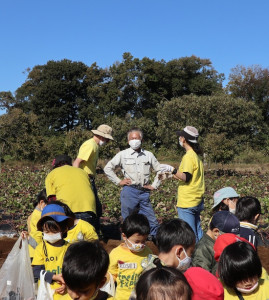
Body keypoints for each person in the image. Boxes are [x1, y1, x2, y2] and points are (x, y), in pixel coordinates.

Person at [104, 127, 164, 238]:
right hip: (129, 191)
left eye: (137, 138)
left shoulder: (148, 155)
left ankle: (154, 245)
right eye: (132, 138)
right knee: (128, 221)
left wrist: (155, 185)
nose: (134, 140)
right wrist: (118, 181)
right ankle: (126, 244)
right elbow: (108, 168)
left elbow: (160, 170)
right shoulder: (123, 154)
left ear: (142, 140)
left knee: (152, 221)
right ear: (128, 141)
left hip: (144, 192)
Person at [129, 219, 196, 300]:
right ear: (179, 251)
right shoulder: (156, 277)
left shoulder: (150, 267)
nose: (190, 257)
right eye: (191, 253)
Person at [73, 124, 114, 232]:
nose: (107, 142)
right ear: (101, 136)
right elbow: (77, 162)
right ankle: (90, 232)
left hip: (89, 179)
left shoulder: (94, 146)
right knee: (91, 207)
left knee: (96, 208)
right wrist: (77, 179)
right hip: (84, 179)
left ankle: (94, 231)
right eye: (107, 139)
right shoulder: (90, 145)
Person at [32, 203, 74, 300]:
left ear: (64, 229)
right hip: (47, 293)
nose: (50, 234)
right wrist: (54, 277)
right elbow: (36, 271)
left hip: (67, 293)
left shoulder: (70, 248)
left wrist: (66, 284)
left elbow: (74, 271)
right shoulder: (41, 248)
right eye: (46, 232)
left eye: (54, 232)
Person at [45, 155, 97, 229]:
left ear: (55, 165)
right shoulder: (82, 172)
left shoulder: (52, 174)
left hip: (68, 211)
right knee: (87, 237)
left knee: (70, 238)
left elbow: (52, 199)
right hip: (89, 209)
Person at [108, 213, 152, 300]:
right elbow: (111, 277)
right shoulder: (116, 254)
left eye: (144, 241)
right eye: (137, 242)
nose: (140, 245)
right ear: (124, 236)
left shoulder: (148, 252)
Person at [173, 126, 205, 242]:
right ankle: (204, 255)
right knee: (198, 231)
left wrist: (173, 170)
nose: (179, 138)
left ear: (184, 140)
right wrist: (172, 174)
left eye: (181, 136)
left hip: (187, 201)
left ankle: (195, 258)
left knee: (189, 234)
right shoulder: (196, 156)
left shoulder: (188, 156)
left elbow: (186, 177)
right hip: (196, 199)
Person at [27, 189, 48, 260]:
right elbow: (38, 236)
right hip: (36, 252)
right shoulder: (38, 216)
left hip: (35, 251)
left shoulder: (36, 214)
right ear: (42, 202)